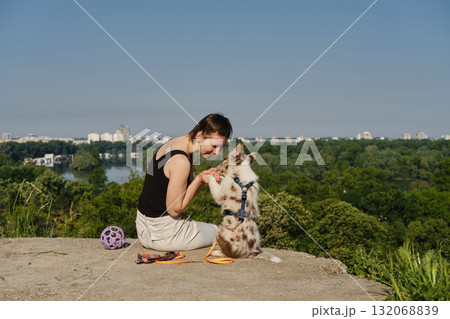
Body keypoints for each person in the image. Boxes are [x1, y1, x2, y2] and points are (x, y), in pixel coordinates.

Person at [136, 113, 232, 251]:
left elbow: (187, 192)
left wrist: (202, 180)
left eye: (220, 148)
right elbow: (174, 210)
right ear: (200, 136)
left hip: (144, 231)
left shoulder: (177, 144)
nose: (217, 153)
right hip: (165, 236)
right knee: (222, 232)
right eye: (214, 145)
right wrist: (198, 179)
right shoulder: (181, 162)